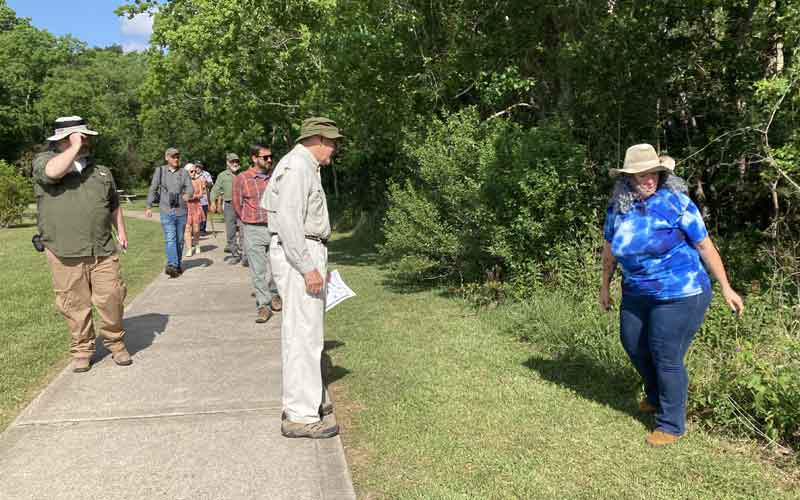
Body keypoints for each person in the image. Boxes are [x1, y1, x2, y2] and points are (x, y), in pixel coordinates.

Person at [599, 143, 744, 447]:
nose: (649, 179)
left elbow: (705, 246)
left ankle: (671, 424)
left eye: (654, 173)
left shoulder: (677, 203)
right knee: (634, 344)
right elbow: (610, 249)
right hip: (637, 291)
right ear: (627, 179)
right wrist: (604, 287)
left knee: (666, 353)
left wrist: (726, 287)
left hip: (682, 292)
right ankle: (654, 396)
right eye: (642, 175)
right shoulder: (618, 209)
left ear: (662, 174)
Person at [32, 116, 133, 373]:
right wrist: (73, 145)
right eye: (81, 136)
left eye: (85, 137)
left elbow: (113, 204)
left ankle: (116, 343)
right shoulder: (44, 162)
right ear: (65, 140)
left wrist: (120, 230)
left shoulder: (101, 171)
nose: (86, 141)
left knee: (112, 298)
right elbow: (53, 173)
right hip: (64, 251)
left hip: (102, 249)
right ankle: (82, 350)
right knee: (74, 305)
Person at [263, 117, 343, 439]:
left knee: (306, 333)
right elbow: (290, 225)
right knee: (302, 334)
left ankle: (307, 400)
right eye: (333, 142)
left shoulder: (304, 166)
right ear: (318, 139)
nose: (335, 148)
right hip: (301, 254)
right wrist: (308, 267)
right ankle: (299, 414)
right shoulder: (297, 167)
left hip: (307, 251)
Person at [232, 144, 282, 323]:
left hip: (276, 228)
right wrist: (247, 220)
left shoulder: (275, 177)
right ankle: (264, 305)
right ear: (254, 158)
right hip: (253, 228)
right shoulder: (242, 178)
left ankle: (276, 295)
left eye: (271, 157)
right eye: (265, 157)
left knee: (278, 267)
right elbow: (237, 205)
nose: (269, 160)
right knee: (258, 270)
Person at [145, 147, 194, 278]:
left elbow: (190, 187)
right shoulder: (160, 171)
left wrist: (188, 194)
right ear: (167, 158)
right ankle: (172, 264)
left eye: (177, 156)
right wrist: (149, 206)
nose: (176, 159)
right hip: (166, 210)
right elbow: (153, 188)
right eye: (173, 157)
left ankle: (176, 265)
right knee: (170, 239)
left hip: (181, 211)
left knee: (179, 241)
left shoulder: (184, 172)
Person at [210, 153, 246, 265]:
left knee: (244, 231)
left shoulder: (244, 174)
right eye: (232, 162)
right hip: (229, 205)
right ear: (227, 163)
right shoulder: (222, 175)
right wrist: (212, 201)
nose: (235, 164)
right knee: (230, 232)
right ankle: (235, 254)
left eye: (237, 161)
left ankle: (245, 255)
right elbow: (215, 189)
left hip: (243, 205)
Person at [183, 163, 207, 257]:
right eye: (191, 171)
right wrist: (187, 197)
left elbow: (201, 194)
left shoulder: (199, 181)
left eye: (195, 171)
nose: (194, 173)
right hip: (186, 207)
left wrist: (193, 197)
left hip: (196, 206)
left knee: (196, 229)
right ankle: (189, 248)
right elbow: (182, 195)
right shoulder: (183, 182)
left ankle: (197, 244)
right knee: (187, 228)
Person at [196, 162, 213, 235]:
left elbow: (211, 184)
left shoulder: (206, 174)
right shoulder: (193, 173)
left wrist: (207, 183)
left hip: (204, 198)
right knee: (196, 214)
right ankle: (196, 229)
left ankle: (202, 229)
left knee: (203, 214)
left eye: (199, 167)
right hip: (195, 198)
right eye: (196, 167)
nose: (198, 168)